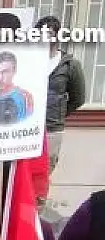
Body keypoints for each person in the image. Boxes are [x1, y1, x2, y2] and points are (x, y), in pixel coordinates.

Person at [36, 16, 87, 173]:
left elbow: (78, 99)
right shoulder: (31, 61)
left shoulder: (70, 65)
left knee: (43, 173)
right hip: (28, 128)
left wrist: (58, 113)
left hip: (52, 130)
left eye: (49, 33)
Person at [0, 51, 34, 126]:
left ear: (14, 71)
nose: (0, 78)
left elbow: (28, 127)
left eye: (5, 72)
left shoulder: (24, 97)